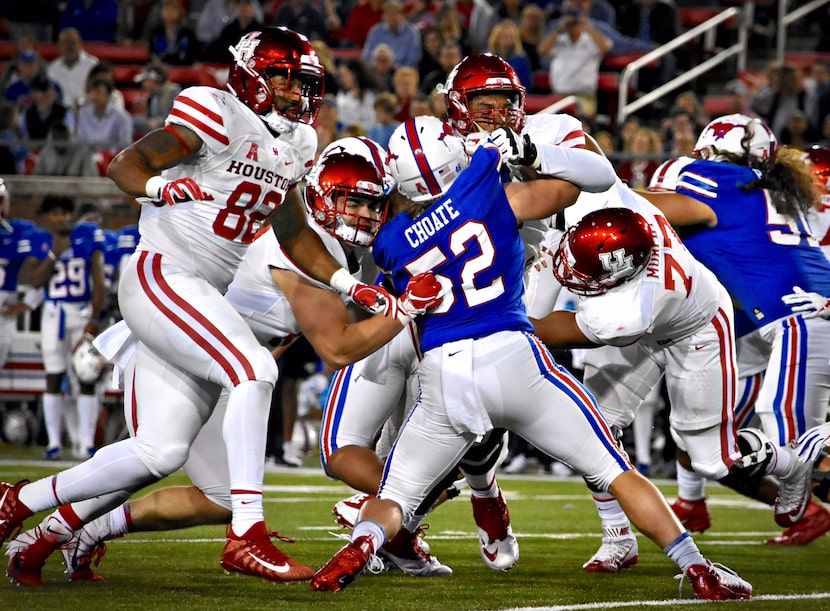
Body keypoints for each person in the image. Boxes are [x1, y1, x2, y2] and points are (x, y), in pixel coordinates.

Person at [0, 27, 405, 584]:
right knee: (255, 369)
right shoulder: (216, 111)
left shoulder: (296, 147)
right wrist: (158, 189)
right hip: (163, 275)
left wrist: (347, 283)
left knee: (159, 453)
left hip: (201, 307)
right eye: (282, 77)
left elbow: (291, 232)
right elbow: (126, 164)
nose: (293, 91)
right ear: (249, 75)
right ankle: (248, 535)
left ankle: (20, 505)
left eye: (301, 81)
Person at [310, 115, 752, 601]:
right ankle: (696, 567)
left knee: (394, 496)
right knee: (614, 471)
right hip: (512, 355)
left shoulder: (389, 242)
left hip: (444, 371)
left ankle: (361, 544)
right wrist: (526, 152)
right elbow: (592, 180)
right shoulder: (486, 187)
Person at [642, 114, 830, 541]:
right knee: (705, 442)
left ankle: (800, 467)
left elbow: (644, 207)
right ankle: (695, 501)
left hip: (802, 319)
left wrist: (574, 189)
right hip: (773, 323)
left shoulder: (721, 183)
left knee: (800, 450)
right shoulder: (770, 191)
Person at [26, 196, 106, 460]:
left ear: (71, 215)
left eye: (64, 213)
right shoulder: (40, 241)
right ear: (47, 217)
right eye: (55, 214)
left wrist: (94, 318)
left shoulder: (87, 235)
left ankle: (85, 442)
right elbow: (34, 280)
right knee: (53, 375)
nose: (60, 218)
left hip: (81, 312)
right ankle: (54, 443)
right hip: (53, 313)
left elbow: (98, 279)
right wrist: (53, 254)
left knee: (87, 374)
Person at [47, 28, 100, 112]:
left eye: (72, 43)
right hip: (60, 113)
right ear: (59, 46)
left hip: (87, 111)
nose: (69, 47)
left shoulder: (92, 65)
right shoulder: (53, 68)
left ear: (80, 44)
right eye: (65, 43)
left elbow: (99, 91)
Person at [362, 0, 422, 69]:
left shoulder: (412, 32)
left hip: (401, 72)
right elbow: (366, 57)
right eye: (389, 13)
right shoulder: (376, 31)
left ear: (403, 15)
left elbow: (413, 59)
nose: (393, 17)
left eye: (396, 13)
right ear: (383, 16)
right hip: (377, 72)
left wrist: (395, 68)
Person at [32, 122, 99, 177]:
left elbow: (92, 182)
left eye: (63, 134)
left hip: (77, 191)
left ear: (70, 136)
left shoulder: (83, 153)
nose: (60, 138)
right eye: (57, 135)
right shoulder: (45, 153)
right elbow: (36, 182)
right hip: (51, 192)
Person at [147, 0, 200, 66]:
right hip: (161, 67)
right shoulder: (157, 32)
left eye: (172, 9)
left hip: (183, 68)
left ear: (179, 12)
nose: (169, 12)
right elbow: (153, 54)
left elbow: (192, 55)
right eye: (166, 9)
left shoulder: (187, 33)